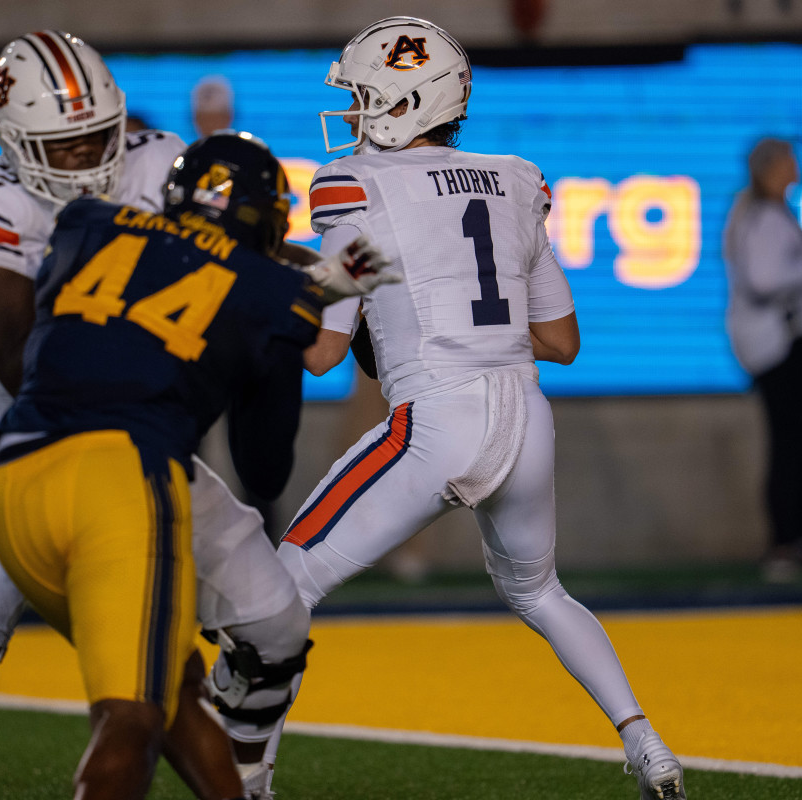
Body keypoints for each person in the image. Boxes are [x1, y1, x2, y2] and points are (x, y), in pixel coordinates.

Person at [0, 33, 372, 800]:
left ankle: (250, 775)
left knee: (274, 625)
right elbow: (26, 366)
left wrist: (301, 284)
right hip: (13, 435)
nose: (86, 158)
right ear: (16, 141)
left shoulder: (155, 161)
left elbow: (246, 260)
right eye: (63, 146)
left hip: (140, 440)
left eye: (99, 135)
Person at [251, 17, 688, 800]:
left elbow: (321, 352)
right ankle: (646, 743)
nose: (352, 111)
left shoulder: (355, 183)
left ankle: (250, 779)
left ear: (403, 103)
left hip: (437, 420)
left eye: (363, 95)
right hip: (526, 418)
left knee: (282, 588)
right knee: (540, 593)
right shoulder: (516, 179)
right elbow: (561, 340)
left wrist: (265, 293)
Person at [0, 131, 389, 800]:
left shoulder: (87, 222)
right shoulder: (266, 286)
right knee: (134, 721)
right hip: (123, 482)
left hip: (13, 483)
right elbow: (264, 471)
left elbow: (169, 262)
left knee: (171, 688)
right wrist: (334, 275)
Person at [724, 138, 802, 582]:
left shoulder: (775, 215)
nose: (797, 165)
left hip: (798, 347)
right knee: (794, 443)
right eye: (789, 158)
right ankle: (787, 543)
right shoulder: (760, 218)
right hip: (781, 349)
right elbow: (764, 278)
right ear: (771, 167)